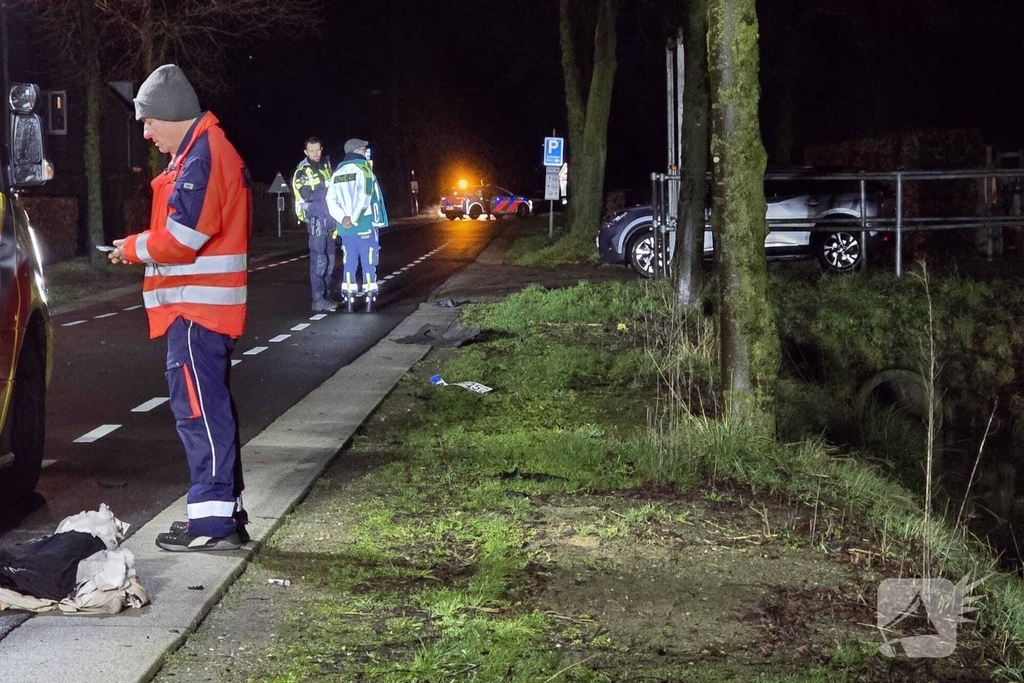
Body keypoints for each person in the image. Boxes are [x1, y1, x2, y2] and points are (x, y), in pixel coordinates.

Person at [108, 64, 250, 552]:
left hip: (197, 314)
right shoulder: (201, 153)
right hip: (199, 312)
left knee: (198, 414)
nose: (145, 133)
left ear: (169, 116)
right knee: (208, 410)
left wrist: (133, 247)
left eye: (147, 122)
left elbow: (184, 238)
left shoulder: (204, 156)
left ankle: (212, 527)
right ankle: (218, 515)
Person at [326, 138, 389, 313]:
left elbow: (330, 200)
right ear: (358, 151)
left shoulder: (337, 172)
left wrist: (343, 217)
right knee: (369, 260)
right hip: (364, 223)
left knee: (349, 260)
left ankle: (349, 299)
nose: (365, 152)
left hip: (345, 227)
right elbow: (365, 197)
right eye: (364, 149)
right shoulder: (364, 170)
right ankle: (370, 298)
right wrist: (353, 218)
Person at [292, 137, 338, 312]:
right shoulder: (302, 172)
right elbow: (306, 195)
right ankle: (318, 299)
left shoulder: (326, 165)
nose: (315, 153)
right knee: (319, 261)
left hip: (329, 219)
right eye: (311, 151)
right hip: (316, 219)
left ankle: (327, 295)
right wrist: (328, 189)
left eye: (318, 150)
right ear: (306, 152)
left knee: (331, 261)